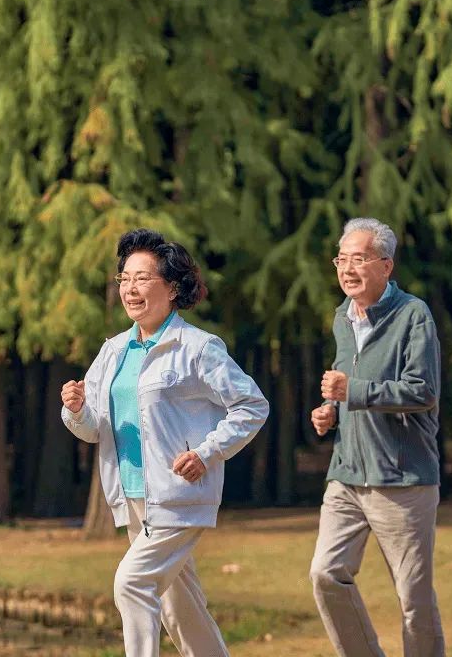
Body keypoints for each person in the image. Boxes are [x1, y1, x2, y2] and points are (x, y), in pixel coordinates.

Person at [60, 228, 269, 657]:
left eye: (142, 278)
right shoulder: (114, 351)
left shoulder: (197, 347)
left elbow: (251, 405)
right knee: (179, 607)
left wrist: (207, 452)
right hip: (134, 498)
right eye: (124, 278)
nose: (130, 288)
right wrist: (77, 408)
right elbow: (94, 427)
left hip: (179, 496)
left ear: (171, 287)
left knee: (132, 584)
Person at [308, 217, 445, 657]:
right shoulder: (341, 318)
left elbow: (422, 391)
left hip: (403, 480)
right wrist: (331, 410)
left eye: (359, 259)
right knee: (326, 574)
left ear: (385, 266)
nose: (347, 269)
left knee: (413, 601)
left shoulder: (412, 314)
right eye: (341, 259)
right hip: (346, 474)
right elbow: (349, 380)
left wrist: (354, 392)